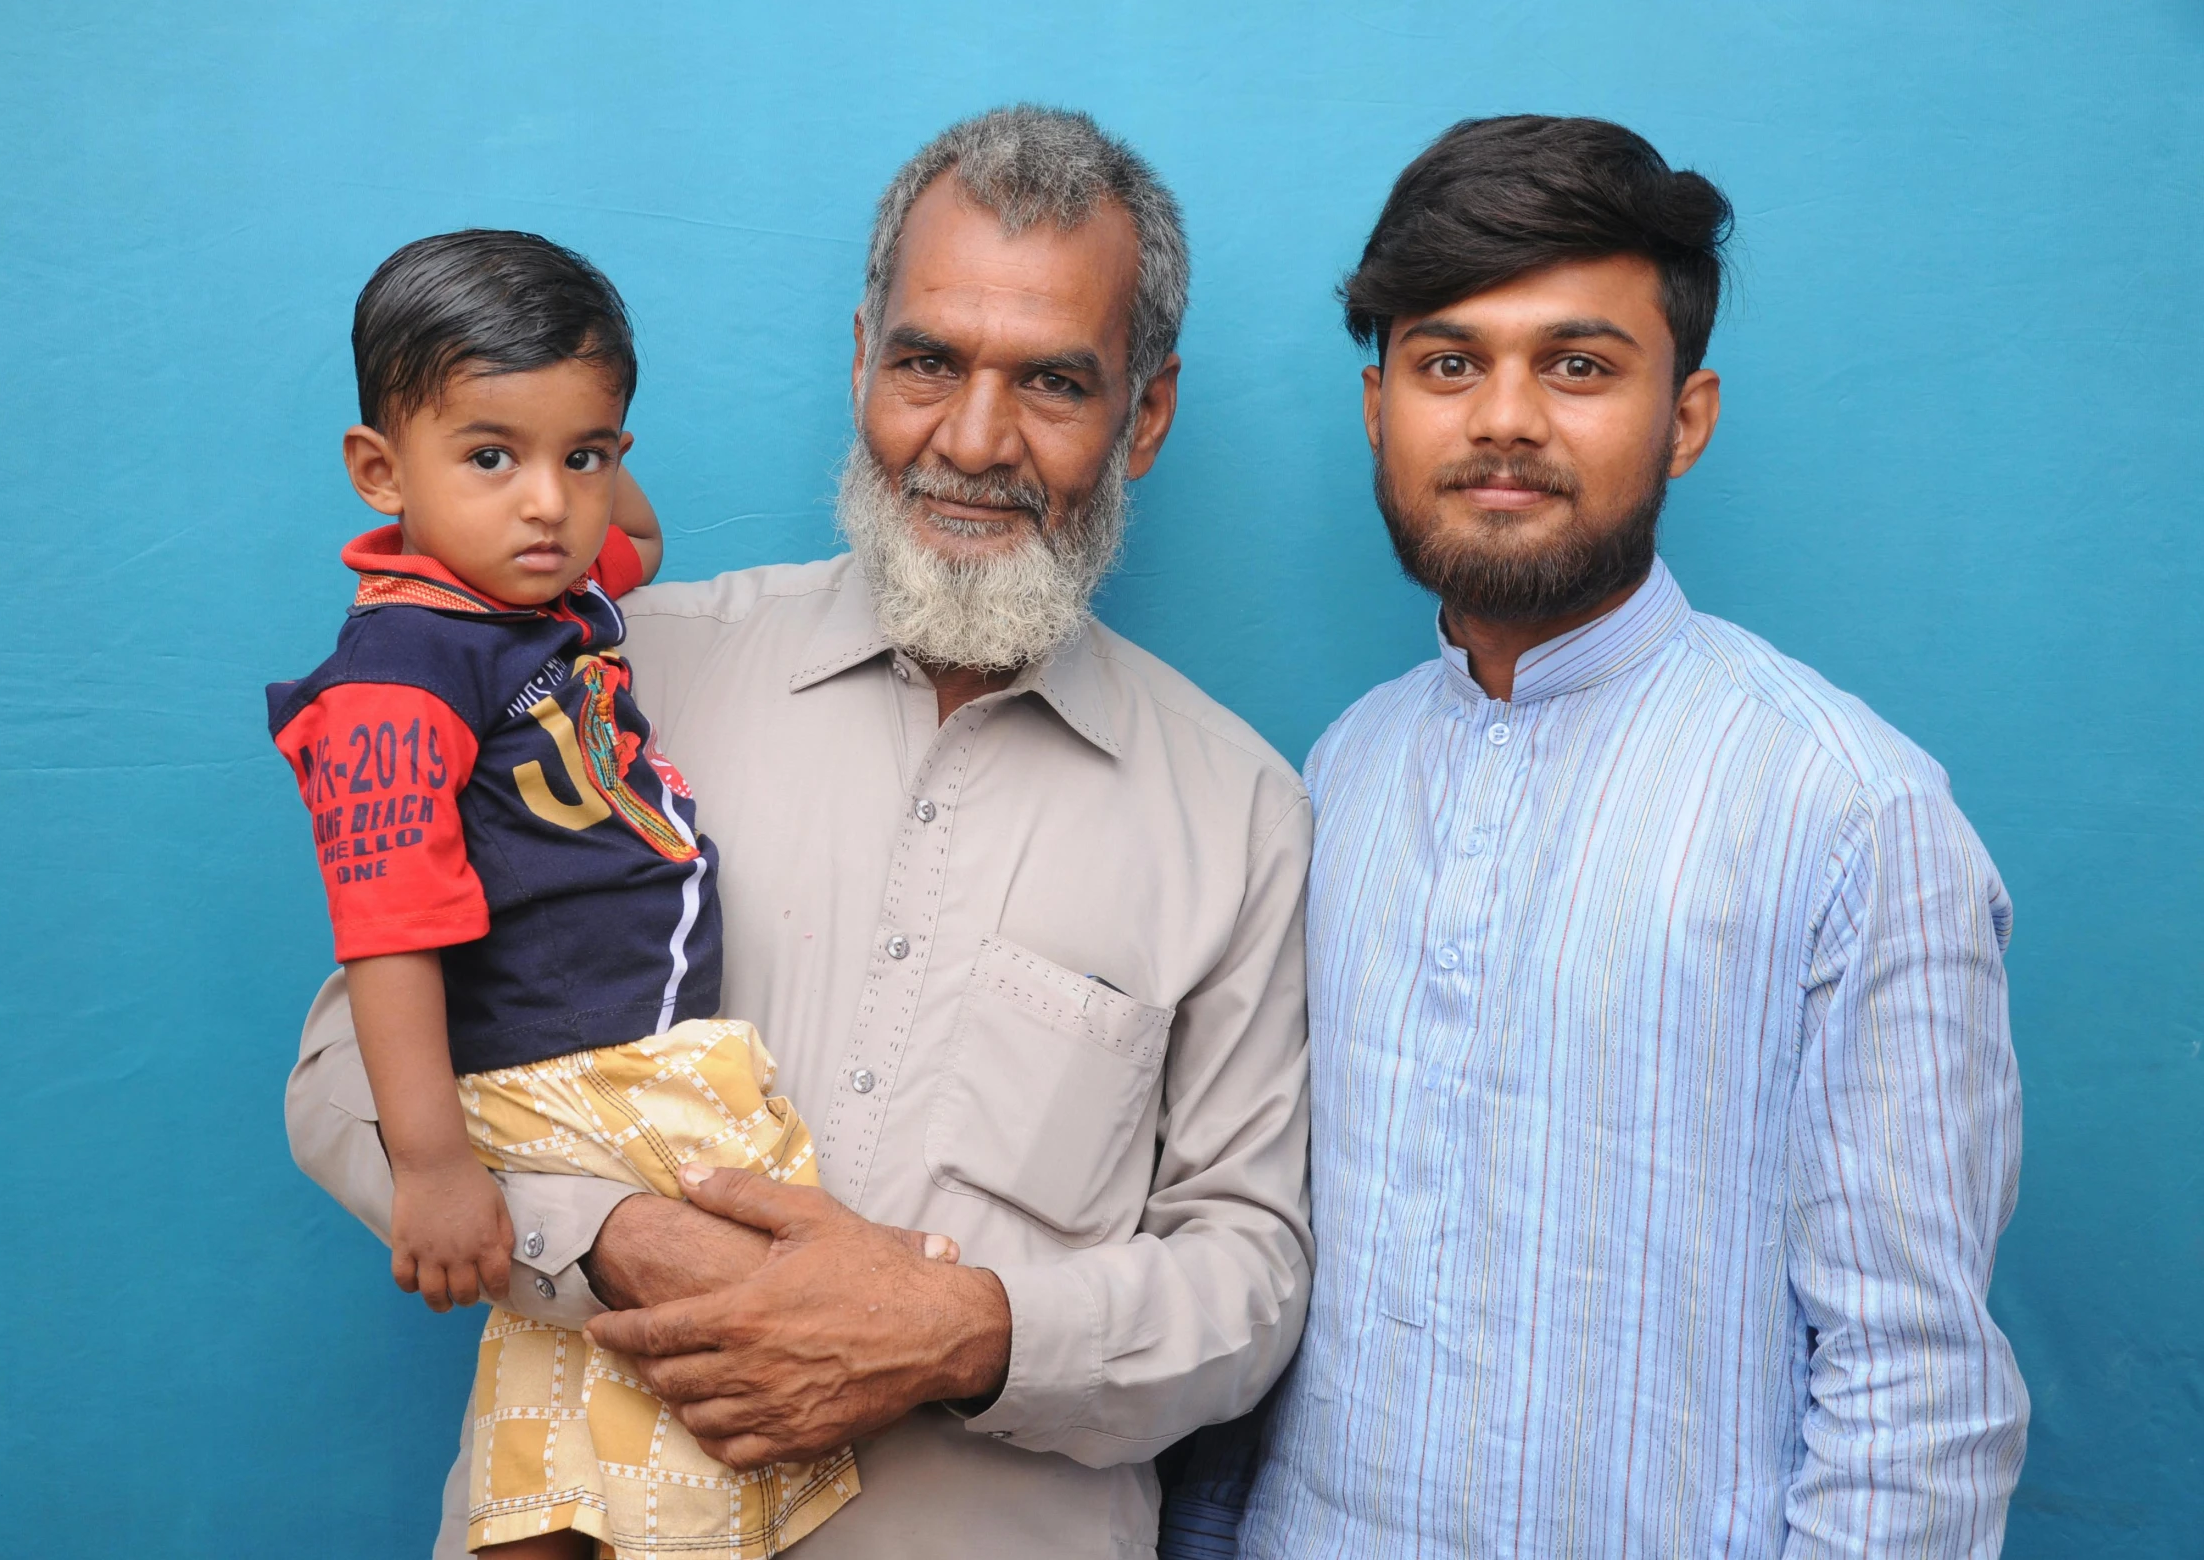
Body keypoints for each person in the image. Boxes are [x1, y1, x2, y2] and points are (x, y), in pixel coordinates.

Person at [285, 105, 1315, 1559]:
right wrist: (608, 1239)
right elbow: (341, 1080)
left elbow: (1250, 1284)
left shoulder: (1240, 813)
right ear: (859, 362)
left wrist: (969, 1330)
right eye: (926, 363)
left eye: (1053, 384)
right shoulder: (599, 676)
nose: (970, 439)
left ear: (1141, 415)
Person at [1240, 116, 2027, 1557]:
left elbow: (1916, 1394)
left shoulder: (1849, 810)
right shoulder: (1336, 774)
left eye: (1579, 365)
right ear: (1376, 408)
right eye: (1448, 361)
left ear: (1687, 415)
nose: (1503, 419)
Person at [267, 229, 875, 1556]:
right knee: (631, 1409)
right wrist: (430, 1167)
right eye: (491, 456)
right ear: (382, 469)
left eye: (583, 454)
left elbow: (630, 537)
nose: (548, 504)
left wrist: (578, 456)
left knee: (581, 1411)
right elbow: (387, 928)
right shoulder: (403, 673)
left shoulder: (533, 595)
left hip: (625, 1056)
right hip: (560, 1068)